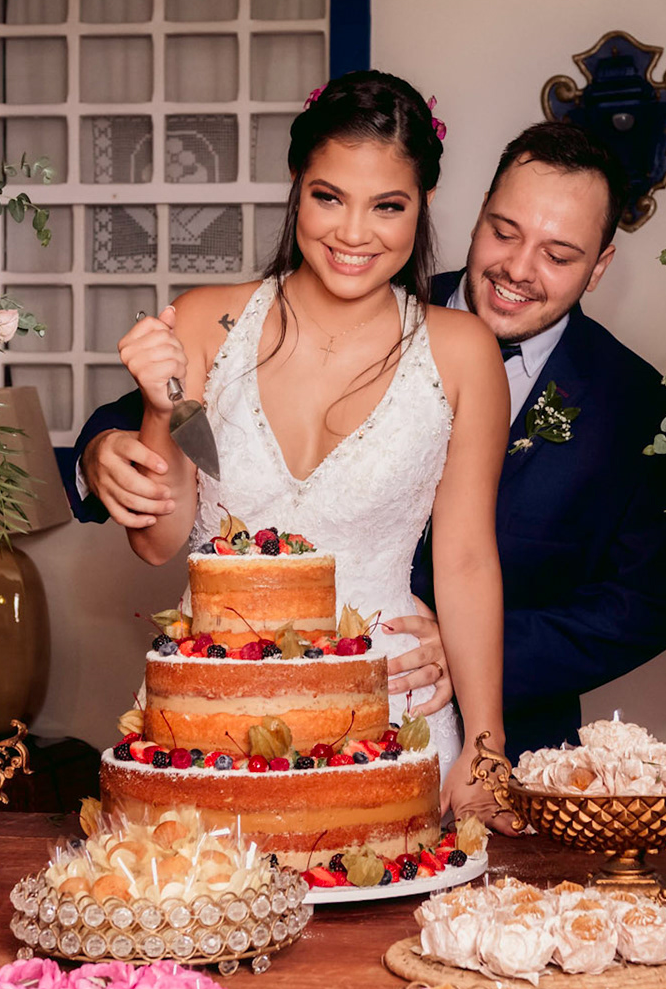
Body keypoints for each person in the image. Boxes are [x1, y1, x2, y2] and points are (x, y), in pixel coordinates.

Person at [73, 122, 666, 757]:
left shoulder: (641, 409)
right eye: (503, 233)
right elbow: (174, 407)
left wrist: (474, 653)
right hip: (233, 690)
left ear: (599, 267)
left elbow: (649, 603)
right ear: (474, 215)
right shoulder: (361, 281)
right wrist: (99, 450)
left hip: (482, 728)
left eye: (558, 255)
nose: (517, 268)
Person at [103, 71, 507, 823]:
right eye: (329, 197)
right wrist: (159, 406)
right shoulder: (201, 320)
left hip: (392, 714)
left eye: (389, 206)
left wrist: (487, 747)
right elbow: (157, 543)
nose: (354, 234)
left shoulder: (462, 351)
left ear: (422, 207)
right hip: (211, 730)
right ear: (297, 184)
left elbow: (466, 560)